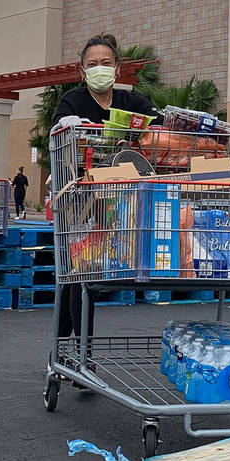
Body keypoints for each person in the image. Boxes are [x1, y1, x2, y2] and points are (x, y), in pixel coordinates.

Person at [54, 34, 160, 341]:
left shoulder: (131, 102)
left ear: (116, 69)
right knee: (80, 273)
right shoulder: (72, 101)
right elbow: (61, 133)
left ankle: (67, 354)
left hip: (126, 200)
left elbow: (160, 124)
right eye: (92, 64)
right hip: (84, 199)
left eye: (106, 63)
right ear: (82, 70)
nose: (99, 68)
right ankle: (75, 350)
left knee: (83, 274)